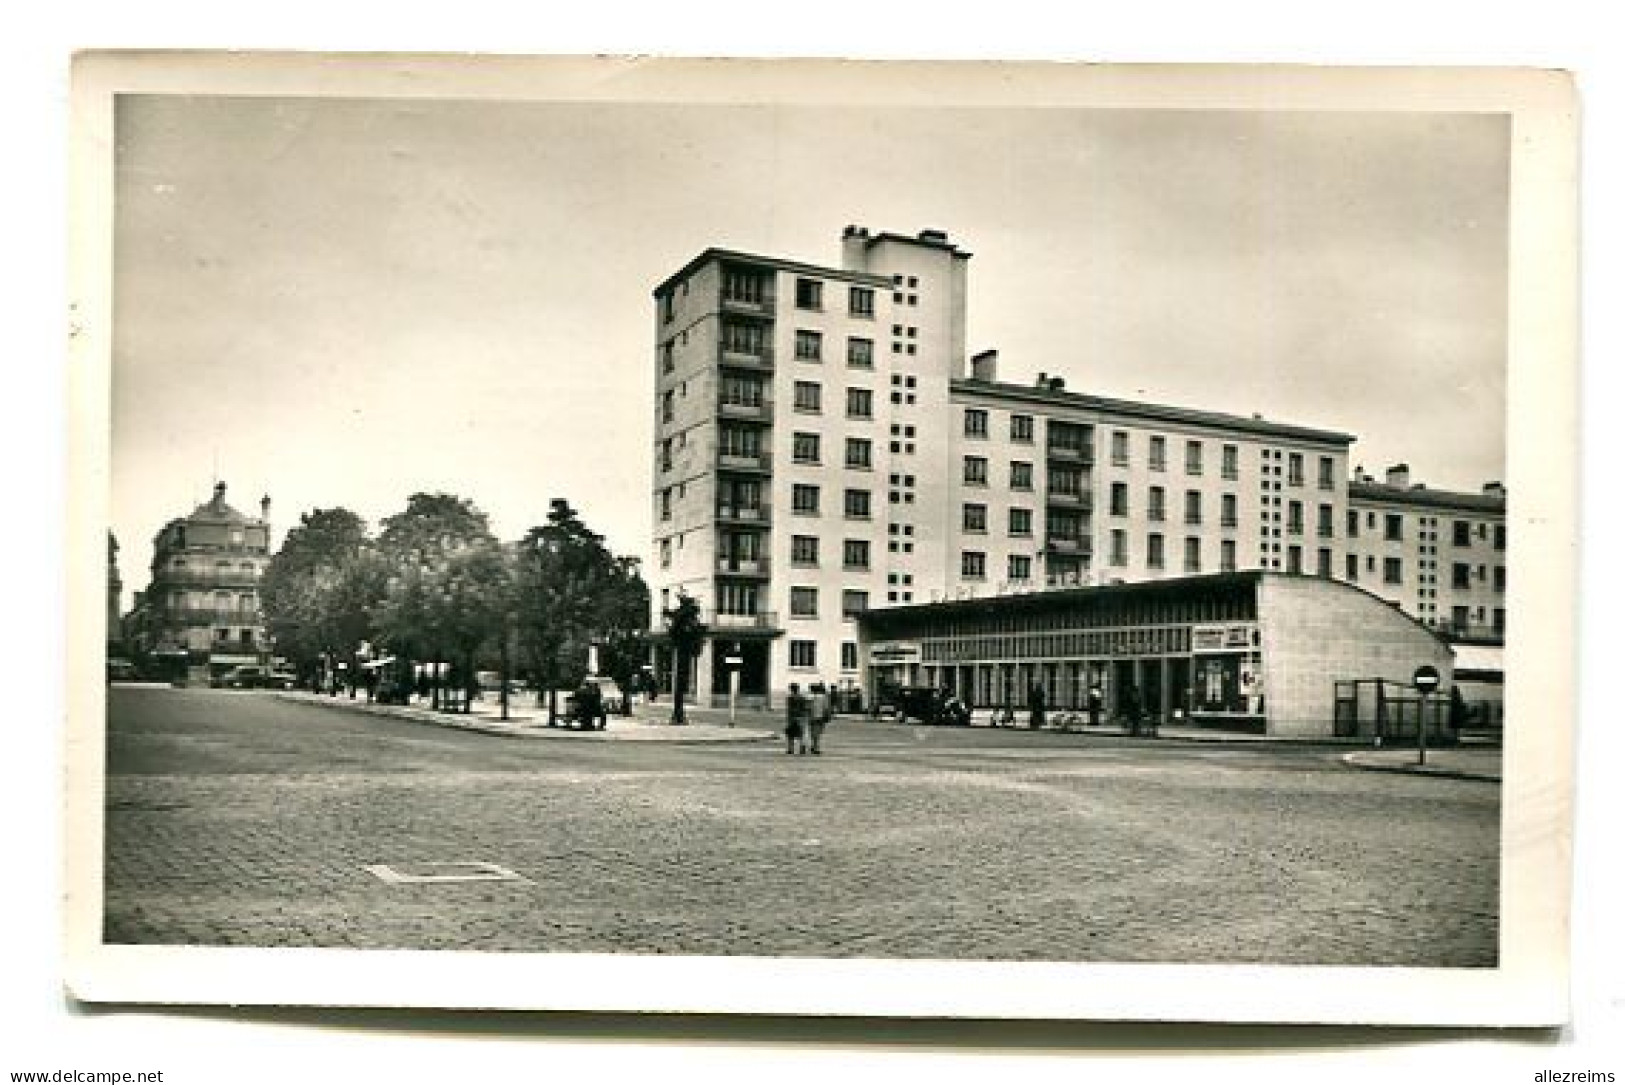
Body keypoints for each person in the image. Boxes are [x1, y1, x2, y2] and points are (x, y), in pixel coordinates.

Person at [785, 682, 811, 755]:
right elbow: (805, 707)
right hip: (801, 717)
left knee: (790, 734)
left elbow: (789, 709)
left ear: (791, 689)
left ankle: (790, 749)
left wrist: (788, 718)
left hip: (792, 717)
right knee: (801, 733)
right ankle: (802, 748)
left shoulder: (790, 698)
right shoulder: (802, 697)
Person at [808, 682, 833, 754]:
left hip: (811, 717)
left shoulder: (809, 697)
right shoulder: (824, 697)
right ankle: (816, 747)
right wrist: (828, 716)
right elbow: (826, 708)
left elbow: (807, 707)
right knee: (818, 733)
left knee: (812, 732)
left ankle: (813, 745)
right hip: (820, 717)